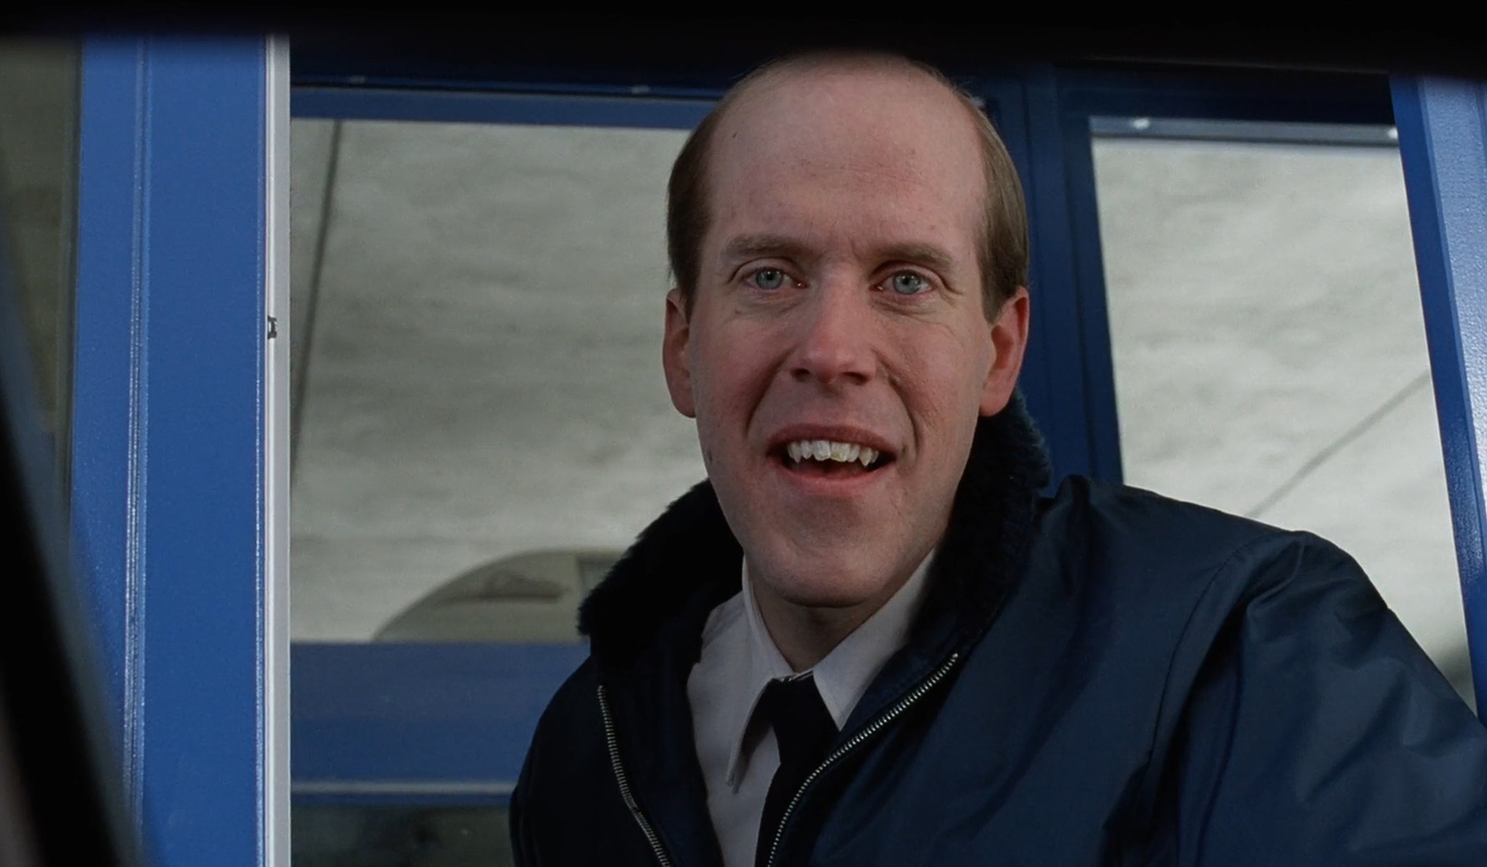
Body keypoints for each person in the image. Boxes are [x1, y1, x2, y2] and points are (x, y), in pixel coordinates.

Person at [509, 50, 1487, 866]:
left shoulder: (1247, 650)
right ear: (683, 348)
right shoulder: (583, 754)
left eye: (905, 279)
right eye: (768, 274)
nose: (832, 349)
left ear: (999, 353)